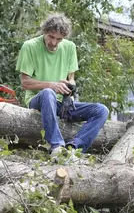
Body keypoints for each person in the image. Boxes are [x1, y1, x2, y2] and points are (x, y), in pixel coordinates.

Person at [16, 13, 109, 157]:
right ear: (45, 32)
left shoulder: (70, 47)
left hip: (62, 104)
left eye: (59, 39)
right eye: (51, 37)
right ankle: (57, 147)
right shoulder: (30, 46)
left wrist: (69, 86)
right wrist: (51, 85)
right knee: (48, 93)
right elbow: (25, 83)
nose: (54, 43)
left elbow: (72, 79)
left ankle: (74, 149)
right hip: (39, 101)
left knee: (101, 110)